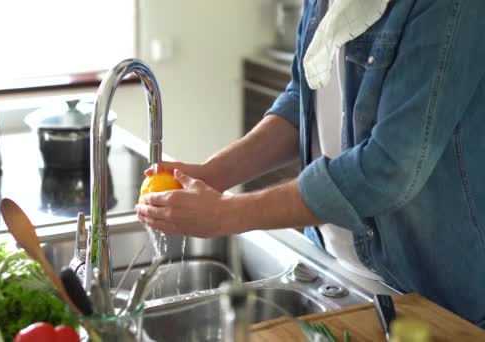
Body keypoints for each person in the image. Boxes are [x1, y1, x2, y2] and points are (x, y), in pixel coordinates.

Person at [135, 0, 485, 327]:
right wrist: (212, 175)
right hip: (336, 266)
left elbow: (388, 168)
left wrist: (226, 214)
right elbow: (304, 99)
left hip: (430, 296)